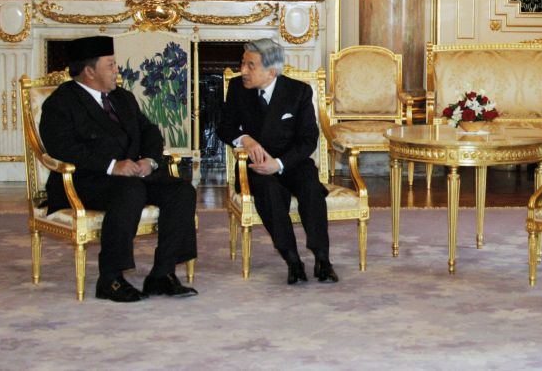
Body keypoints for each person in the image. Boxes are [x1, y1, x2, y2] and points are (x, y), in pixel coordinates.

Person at [39, 35, 198, 302]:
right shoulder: (61, 102)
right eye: (111, 65)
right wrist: (112, 166)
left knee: (181, 190)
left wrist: (150, 160)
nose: (117, 70)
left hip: (132, 175)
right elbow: (62, 147)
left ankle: (162, 274)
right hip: (85, 181)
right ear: (90, 71)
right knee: (130, 191)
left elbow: (150, 132)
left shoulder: (122, 98)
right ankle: (110, 279)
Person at [218, 38, 338, 285]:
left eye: (250, 66)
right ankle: (292, 260)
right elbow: (224, 127)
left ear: (271, 71)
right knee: (270, 192)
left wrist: (280, 164)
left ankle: (322, 258)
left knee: (311, 188)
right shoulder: (237, 89)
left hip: (290, 162)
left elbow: (308, 140)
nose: (243, 71)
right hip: (256, 168)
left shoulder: (299, 92)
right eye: (243, 64)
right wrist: (245, 139)